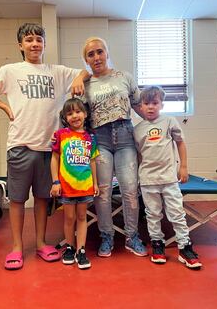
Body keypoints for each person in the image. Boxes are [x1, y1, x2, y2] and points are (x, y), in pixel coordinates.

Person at [0, 23, 90, 270]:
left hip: (48, 148)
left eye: (39, 39)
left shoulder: (56, 71)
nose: (34, 44)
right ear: (20, 45)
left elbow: (85, 72)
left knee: (42, 198)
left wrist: (80, 79)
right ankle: (17, 248)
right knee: (18, 200)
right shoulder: (10, 70)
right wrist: (5, 107)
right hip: (20, 144)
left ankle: (40, 243)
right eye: (29, 40)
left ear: (45, 44)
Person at [82, 37, 147, 257]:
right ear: (86, 60)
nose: (96, 57)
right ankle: (106, 237)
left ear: (107, 53)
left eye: (100, 52)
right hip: (100, 139)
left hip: (125, 136)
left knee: (130, 189)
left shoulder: (124, 77)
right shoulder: (85, 83)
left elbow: (140, 106)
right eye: (91, 54)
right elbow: (78, 116)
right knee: (102, 192)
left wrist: (158, 126)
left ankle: (132, 236)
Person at [133, 85, 202, 269]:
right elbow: (140, 155)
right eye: (146, 103)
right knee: (153, 214)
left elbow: (180, 143)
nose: (150, 107)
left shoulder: (170, 121)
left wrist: (184, 167)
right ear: (140, 106)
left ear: (161, 104)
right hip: (148, 180)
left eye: (155, 103)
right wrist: (139, 177)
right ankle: (157, 244)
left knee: (176, 213)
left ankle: (185, 247)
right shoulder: (137, 129)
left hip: (169, 179)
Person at [50, 98, 99, 269]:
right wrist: (55, 181)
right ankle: (70, 248)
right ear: (65, 117)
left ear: (85, 114)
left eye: (78, 112)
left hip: (85, 186)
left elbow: (92, 161)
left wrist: (96, 183)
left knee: (81, 217)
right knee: (69, 218)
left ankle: (81, 250)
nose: (74, 116)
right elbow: (54, 159)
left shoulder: (91, 138)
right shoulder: (61, 135)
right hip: (66, 187)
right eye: (69, 113)